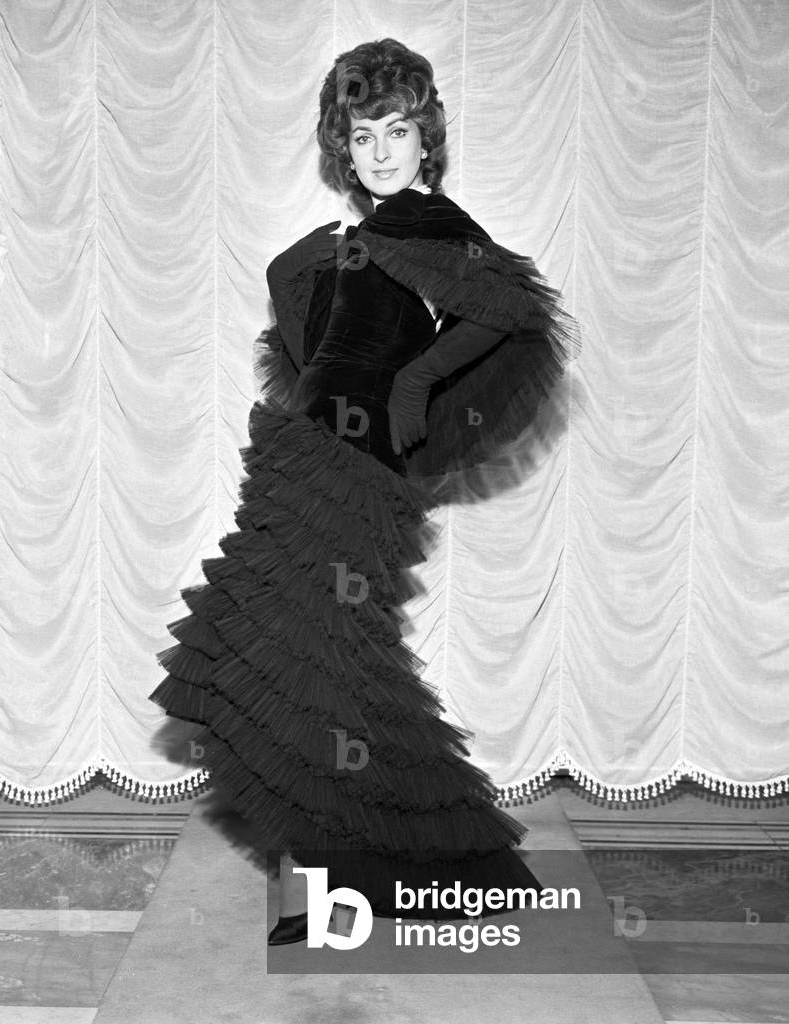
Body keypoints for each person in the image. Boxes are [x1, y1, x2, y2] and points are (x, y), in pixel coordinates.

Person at [149, 37, 581, 946]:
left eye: (396, 131)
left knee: (326, 672)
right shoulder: (364, 238)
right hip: (302, 462)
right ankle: (329, 874)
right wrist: (304, 297)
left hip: (358, 481)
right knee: (283, 665)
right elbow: (318, 338)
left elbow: (514, 312)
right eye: (361, 136)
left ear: (426, 138)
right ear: (341, 147)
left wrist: (416, 385)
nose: (381, 151)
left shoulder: (438, 231)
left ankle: (408, 871)